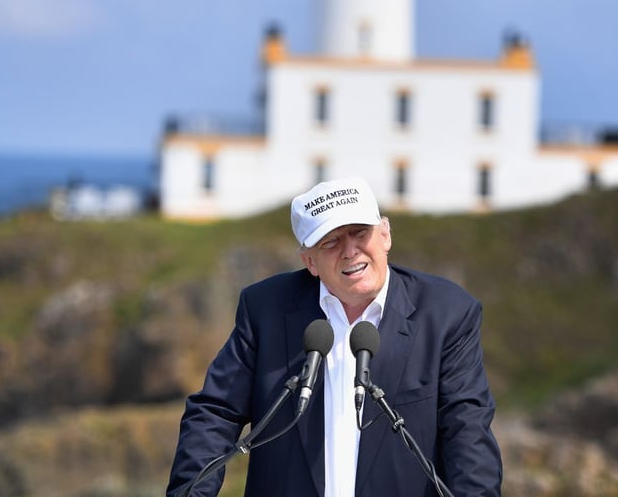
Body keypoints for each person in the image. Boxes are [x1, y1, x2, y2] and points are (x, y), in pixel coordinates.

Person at [166, 176, 502, 496]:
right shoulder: (265, 310)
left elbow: (467, 430)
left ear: (385, 234)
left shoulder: (446, 313)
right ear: (309, 261)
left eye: (360, 232)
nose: (350, 251)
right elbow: (214, 412)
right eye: (330, 242)